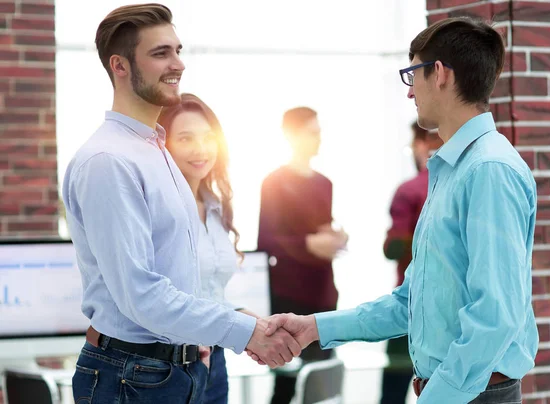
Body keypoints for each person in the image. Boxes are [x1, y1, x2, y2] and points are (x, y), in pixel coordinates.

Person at [255, 17, 539, 404]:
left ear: (438, 74)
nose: (409, 94)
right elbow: (411, 302)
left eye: (412, 76)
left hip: (472, 395)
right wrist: (314, 327)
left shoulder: (489, 169)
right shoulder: (451, 170)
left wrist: (434, 399)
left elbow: (495, 316)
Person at [62, 4, 300, 404]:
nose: (179, 64)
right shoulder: (109, 161)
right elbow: (142, 296)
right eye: (160, 53)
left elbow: (186, 283)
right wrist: (243, 332)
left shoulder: (155, 152)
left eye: (178, 50)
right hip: (132, 375)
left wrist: (244, 322)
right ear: (119, 66)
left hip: (177, 370)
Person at [158, 93, 261, 403]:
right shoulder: (160, 209)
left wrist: (253, 320)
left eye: (208, 137)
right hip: (169, 364)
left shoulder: (216, 207)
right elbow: (161, 294)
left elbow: (206, 294)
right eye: (186, 138)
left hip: (214, 359)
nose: (200, 149)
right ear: (164, 144)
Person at [257, 107, 348, 404]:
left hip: (323, 299)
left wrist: (335, 237)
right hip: (289, 300)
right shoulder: (273, 182)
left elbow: (321, 228)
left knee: (321, 387)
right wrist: (310, 243)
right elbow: (267, 240)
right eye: (313, 131)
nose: (319, 138)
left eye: (319, 131)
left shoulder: (325, 183)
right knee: (285, 386)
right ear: (292, 136)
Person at [380, 121, 434, 404]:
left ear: (422, 145)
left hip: (409, 308)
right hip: (450, 315)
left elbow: (392, 248)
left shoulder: (410, 190)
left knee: (392, 394)